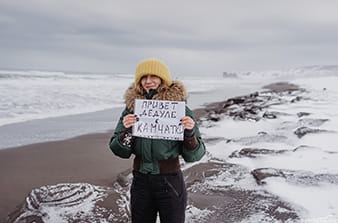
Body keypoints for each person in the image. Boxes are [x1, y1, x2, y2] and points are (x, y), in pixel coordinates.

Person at [109, 58, 206, 223]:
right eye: (143, 77)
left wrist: (189, 134)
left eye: (153, 76)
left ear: (163, 79)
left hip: (170, 180)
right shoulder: (132, 109)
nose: (148, 81)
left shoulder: (179, 109)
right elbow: (118, 150)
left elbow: (195, 155)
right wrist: (128, 131)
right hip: (140, 180)